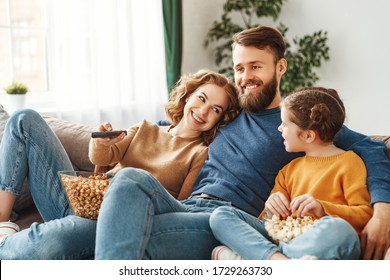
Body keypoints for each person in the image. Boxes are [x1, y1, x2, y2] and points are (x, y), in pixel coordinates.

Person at [93, 25, 390, 260]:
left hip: (225, 221)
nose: (245, 76)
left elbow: (373, 147)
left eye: (255, 66)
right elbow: (176, 126)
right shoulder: (227, 112)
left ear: (280, 67)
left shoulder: (300, 122)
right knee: (130, 179)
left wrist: (382, 212)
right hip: (184, 205)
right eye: (239, 68)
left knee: (115, 234)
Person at [0, 69, 239, 259]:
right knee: (24, 119)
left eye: (215, 110)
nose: (203, 111)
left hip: (112, 218)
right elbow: (102, 158)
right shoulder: (146, 128)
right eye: (202, 98)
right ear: (188, 96)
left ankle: (7, 246)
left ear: (219, 119)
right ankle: (3, 220)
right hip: (82, 197)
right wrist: (103, 138)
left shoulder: (200, 153)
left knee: (40, 247)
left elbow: (180, 208)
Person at [209, 87, 372, 260]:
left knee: (339, 230)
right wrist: (271, 209)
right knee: (221, 215)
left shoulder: (349, 163)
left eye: (285, 124)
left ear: (308, 136)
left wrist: (323, 209)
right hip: (282, 241)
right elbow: (268, 223)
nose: (279, 129)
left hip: (319, 241)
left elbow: (364, 215)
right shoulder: (289, 169)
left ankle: (262, 260)